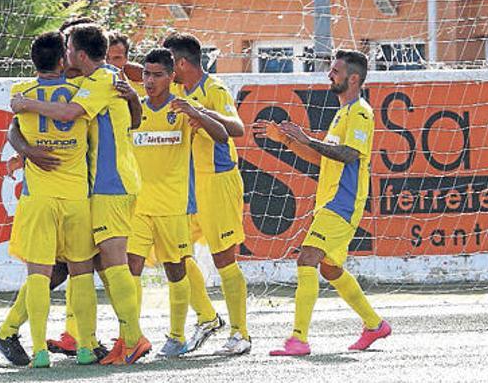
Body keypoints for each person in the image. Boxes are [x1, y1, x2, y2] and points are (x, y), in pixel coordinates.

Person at [10, 23, 150, 364]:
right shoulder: (99, 80)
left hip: (110, 183)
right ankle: (90, 338)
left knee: (114, 263)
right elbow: (135, 121)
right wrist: (24, 147)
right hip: (103, 185)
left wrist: (25, 103)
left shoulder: (102, 80)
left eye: (69, 48)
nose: (66, 54)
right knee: (97, 264)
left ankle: (132, 340)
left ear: (80, 55)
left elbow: (70, 112)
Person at [253, 50, 391, 356]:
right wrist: (289, 141)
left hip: (343, 204)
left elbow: (348, 154)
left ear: (353, 78)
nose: (330, 75)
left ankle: (298, 339)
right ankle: (374, 325)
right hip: (329, 202)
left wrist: (304, 136)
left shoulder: (360, 113)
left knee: (307, 259)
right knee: (330, 268)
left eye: (335, 71)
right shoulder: (342, 113)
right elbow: (322, 158)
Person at [0, 32, 98, 368]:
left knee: (39, 273)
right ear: (64, 60)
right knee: (80, 272)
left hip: (38, 197)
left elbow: (14, 125)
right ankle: (85, 347)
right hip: (77, 195)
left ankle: (38, 352)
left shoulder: (19, 92)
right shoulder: (84, 90)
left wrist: (26, 150)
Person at [125, 48, 231, 358]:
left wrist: (197, 114)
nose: (149, 80)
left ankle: (176, 336)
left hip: (173, 206)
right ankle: (131, 334)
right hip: (139, 206)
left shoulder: (183, 108)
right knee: (131, 268)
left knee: (175, 270)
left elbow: (223, 135)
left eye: (157, 75)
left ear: (172, 77)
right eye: (146, 74)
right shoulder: (136, 109)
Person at [161, 32, 250, 356]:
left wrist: (201, 113)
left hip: (218, 181)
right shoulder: (177, 88)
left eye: (169, 64)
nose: (166, 72)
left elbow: (237, 129)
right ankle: (208, 317)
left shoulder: (214, 89)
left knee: (223, 257)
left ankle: (241, 334)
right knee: (176, 253)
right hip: (189, 184)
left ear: (182, 63)